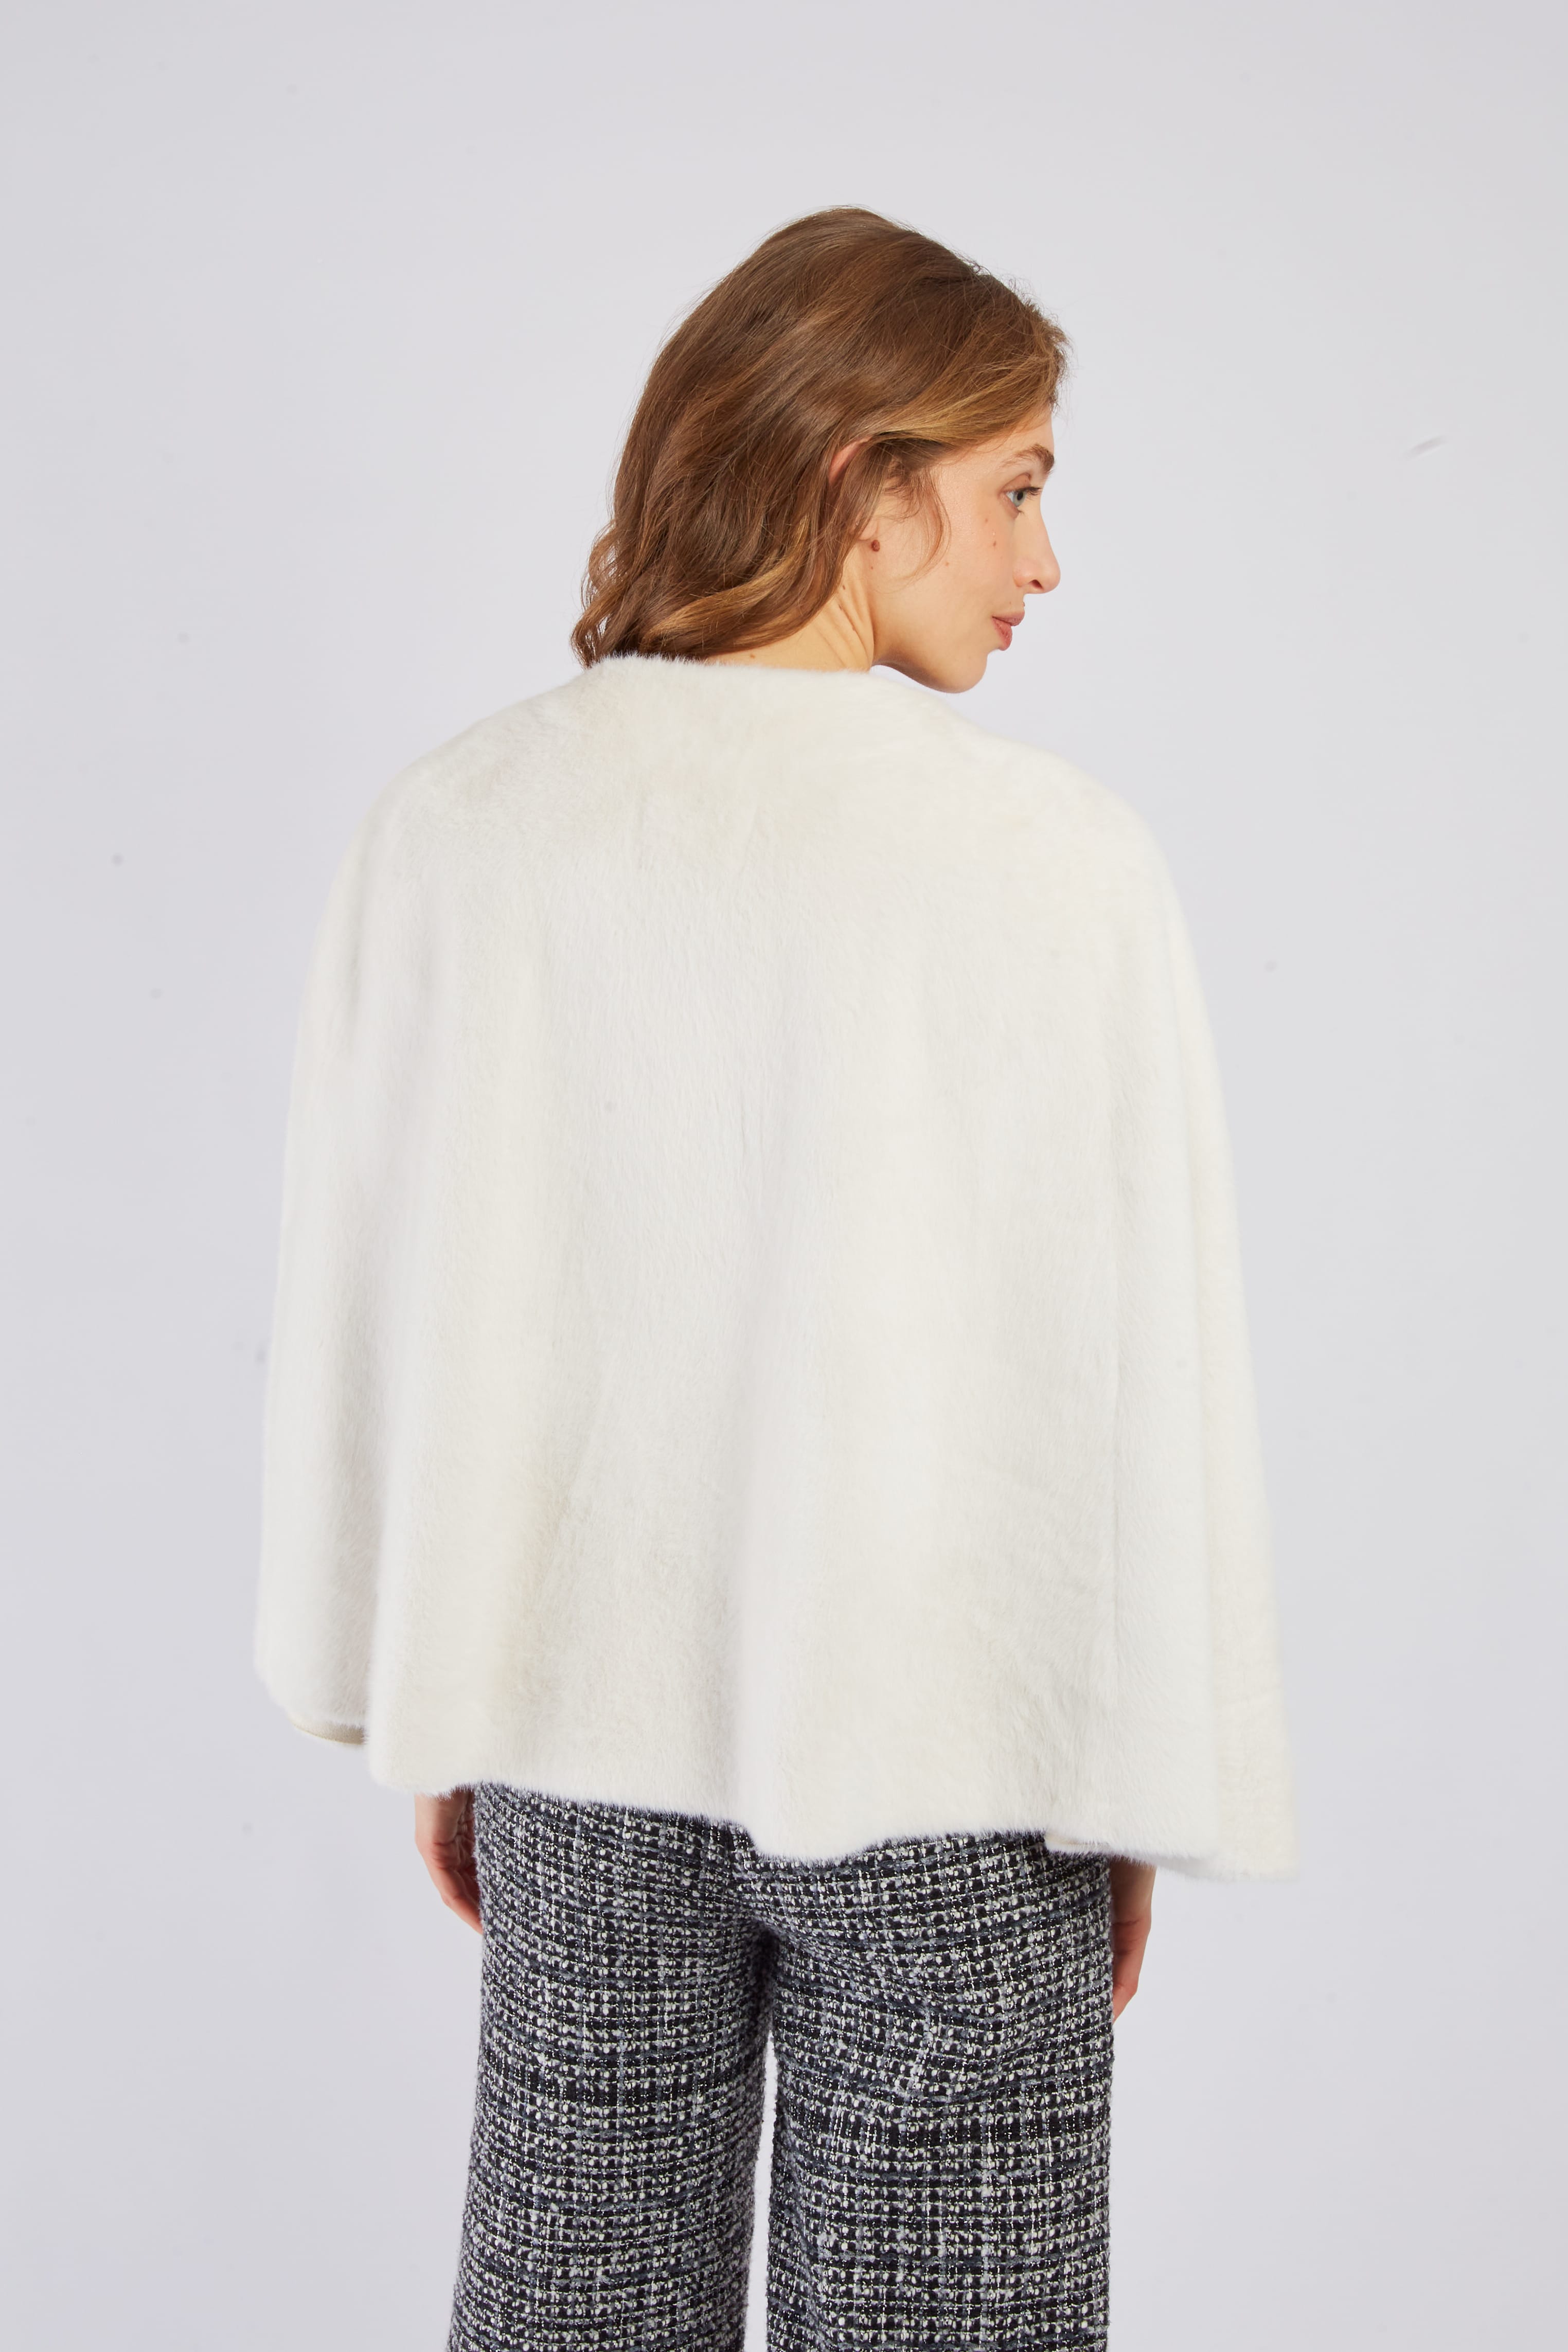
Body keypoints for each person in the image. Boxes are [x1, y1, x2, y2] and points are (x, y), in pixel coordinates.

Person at [256, 207, 1295, 2351]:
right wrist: (1138, 1770)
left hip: (571, 1747)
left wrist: (444, 1680)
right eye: (1015, 490)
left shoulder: (458, 826)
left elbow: (384, 1307)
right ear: (862, 480)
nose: (1042, 563)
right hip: (961, 1763)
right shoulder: (1056, 862)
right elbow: (1131, 1368)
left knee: (575, 2315)